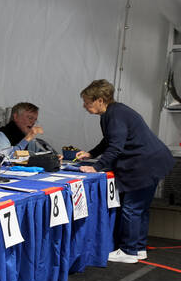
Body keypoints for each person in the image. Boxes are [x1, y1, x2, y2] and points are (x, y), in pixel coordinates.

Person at [75, 79, 174, 263]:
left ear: (100, 100)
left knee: (131, 208)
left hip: (145, 164)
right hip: (153, 161)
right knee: (140, 209)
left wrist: (95, 166)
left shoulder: (115, 115)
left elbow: (116, 147)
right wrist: (91, 154)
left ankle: (128, 251)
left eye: (87, 101)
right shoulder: (112, 113)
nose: (84, 105)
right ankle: (138, 248)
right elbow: (109, 140)